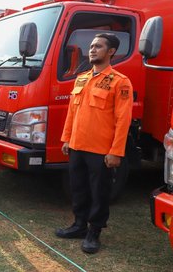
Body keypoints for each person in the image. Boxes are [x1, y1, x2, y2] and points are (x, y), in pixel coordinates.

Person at [56, 33, 133, 254]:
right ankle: (79, 225)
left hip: (101, 150)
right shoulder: (81, 78)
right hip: (77, 146)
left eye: (98, 46)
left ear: (111, 52)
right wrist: (66, 138)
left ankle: (94, 232)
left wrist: (116, 152)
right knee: (78, 188)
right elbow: (72, 112)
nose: (92, 50)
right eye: (91, 46)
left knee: (99, 192)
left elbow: (123, 120)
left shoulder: (119, 82)